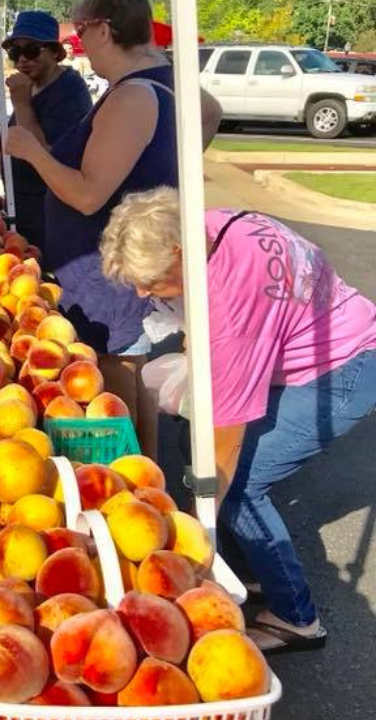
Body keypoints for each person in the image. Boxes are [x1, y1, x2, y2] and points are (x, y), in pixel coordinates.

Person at [99, 187, 376, 653]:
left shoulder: (232, 306)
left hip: (344, 367)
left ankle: (297, 617)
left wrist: (195, 523)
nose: (144, 292)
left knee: (240, 482)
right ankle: (253, 566)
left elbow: (228, 434)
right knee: (199, 451)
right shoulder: (217, 221)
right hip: (332, 340)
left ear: (179, 253)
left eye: (150, 280)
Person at [4, 0, 222, 454]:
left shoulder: (132, 95)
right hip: (122, 262)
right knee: (134, 373)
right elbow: (210, 113)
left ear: (103, 29)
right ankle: (149, 472)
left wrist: (32, 151)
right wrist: (167, 178)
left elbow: (87, 194)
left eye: (80, 33)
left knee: (118, 378)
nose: (80, 45)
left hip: (108, 272)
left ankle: (135, 476)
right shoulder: (162, 77)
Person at [0, 10, 92, 253]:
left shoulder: (69, 91)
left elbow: (50, 156)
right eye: (15, 53)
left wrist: (21, 103)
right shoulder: (33, 86)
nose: (21, 60)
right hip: (25, 211)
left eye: (31, 50)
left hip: (50, 218)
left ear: (54, 53)